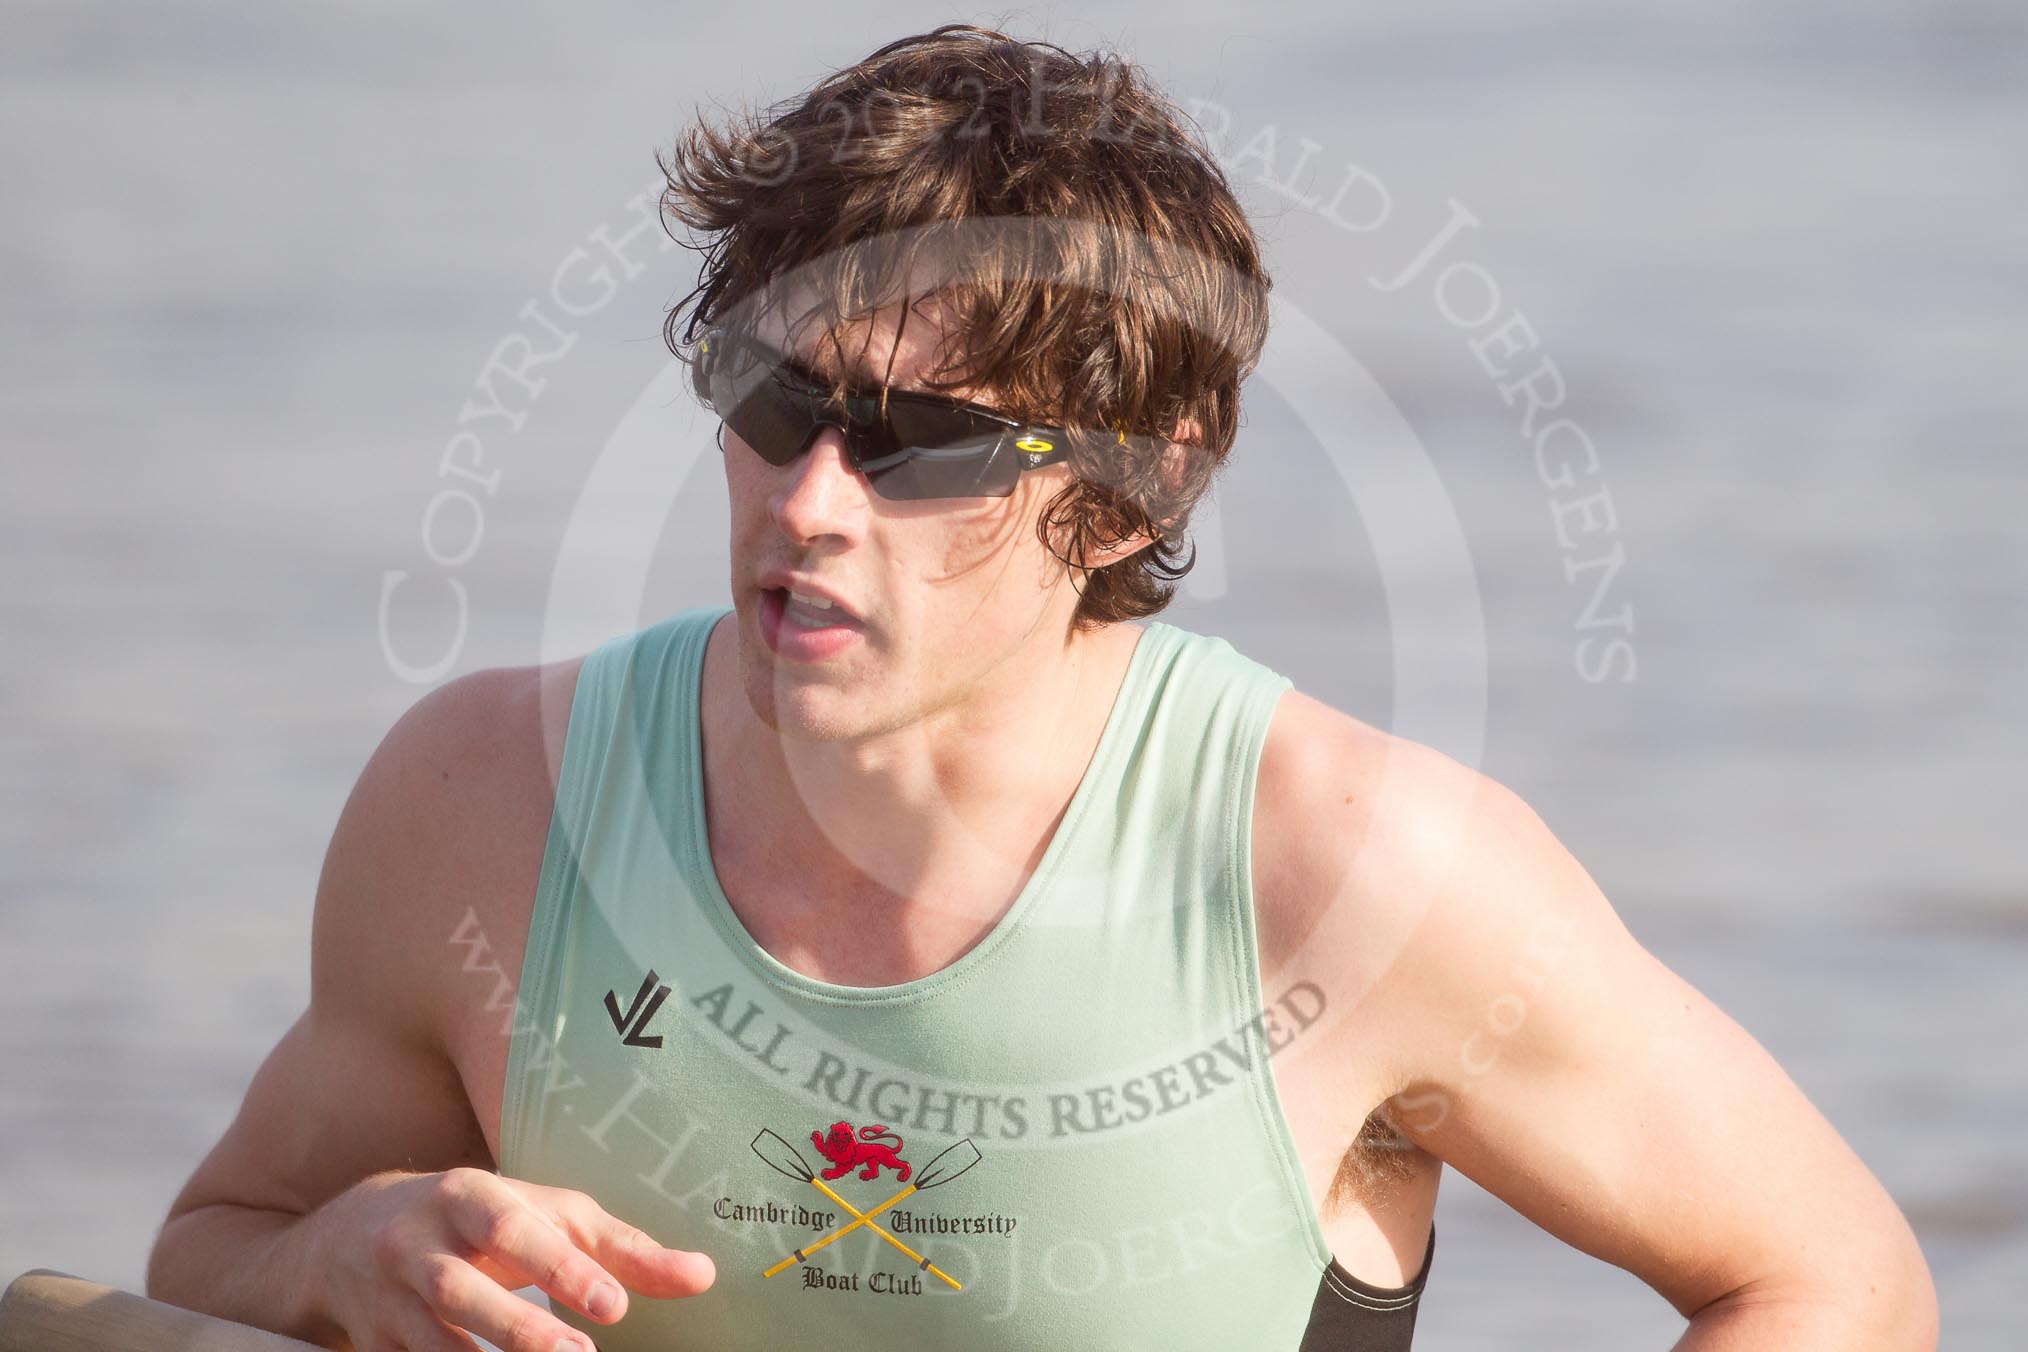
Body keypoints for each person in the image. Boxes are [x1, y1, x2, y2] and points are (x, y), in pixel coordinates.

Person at [146, 23, 1937, 1352]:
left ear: (1139, 484)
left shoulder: (1353, 868)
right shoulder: (481, 808)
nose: (808, 503)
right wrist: (329, 1257)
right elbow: (214, 1245)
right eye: (773, 401)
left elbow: (1832, 1281)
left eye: (921, 443)